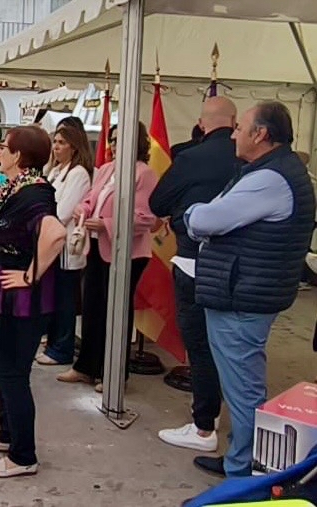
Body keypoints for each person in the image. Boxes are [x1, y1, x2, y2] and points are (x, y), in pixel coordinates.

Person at [185, 102, 315, 478]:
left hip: (241, 295)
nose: (234, 135)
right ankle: (239, 458)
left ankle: (242, 473)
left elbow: (210, 217)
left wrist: (193, 215)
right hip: (248, 290)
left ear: (261, 134)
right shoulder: (275, 171)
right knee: (242, 382)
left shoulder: (270, 179)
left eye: (240, 127)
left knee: (242, 390)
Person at [150, 96, 241, 454]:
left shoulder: (190, 157)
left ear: (202, 123)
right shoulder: (252, 161)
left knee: (200, 347)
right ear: (234, 123)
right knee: (229, 346)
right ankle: (221, 419)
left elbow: (158, 203)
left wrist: (181, 212)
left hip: (193, 259)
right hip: (239, 266)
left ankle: (205, 427)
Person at [0, 125, 66, 478]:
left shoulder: (35, 193)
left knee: (13, 373)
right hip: (3, 293)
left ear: (19, 155)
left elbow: (56, 234)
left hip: (23, 298)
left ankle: (23, 456)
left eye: (4, 147)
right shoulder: (15, 187)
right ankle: (7, 434)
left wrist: (30, 274)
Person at [57, 122, 157, 393]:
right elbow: (91, 198)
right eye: (112, 139)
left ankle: (113, 372)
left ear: (136, 141)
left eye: (119, 138)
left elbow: (146, 217)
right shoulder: (108, 170)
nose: (114, 144)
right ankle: (86, 367)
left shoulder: (144, 174)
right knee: (91, 308)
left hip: (127, 252)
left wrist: (107, 224)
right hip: (97, 247)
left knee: (116, 313)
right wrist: (83, 210)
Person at [35, 125, 93, 366]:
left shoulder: (78, 173)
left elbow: (64, 211)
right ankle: (53, 342)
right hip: (50, 242)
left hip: (66, 246)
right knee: (53, 296)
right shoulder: (55, 170)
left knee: (65, 299)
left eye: (61, 143)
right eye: (55, 142)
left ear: (74, 146)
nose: (56, 147)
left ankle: (62, 348)